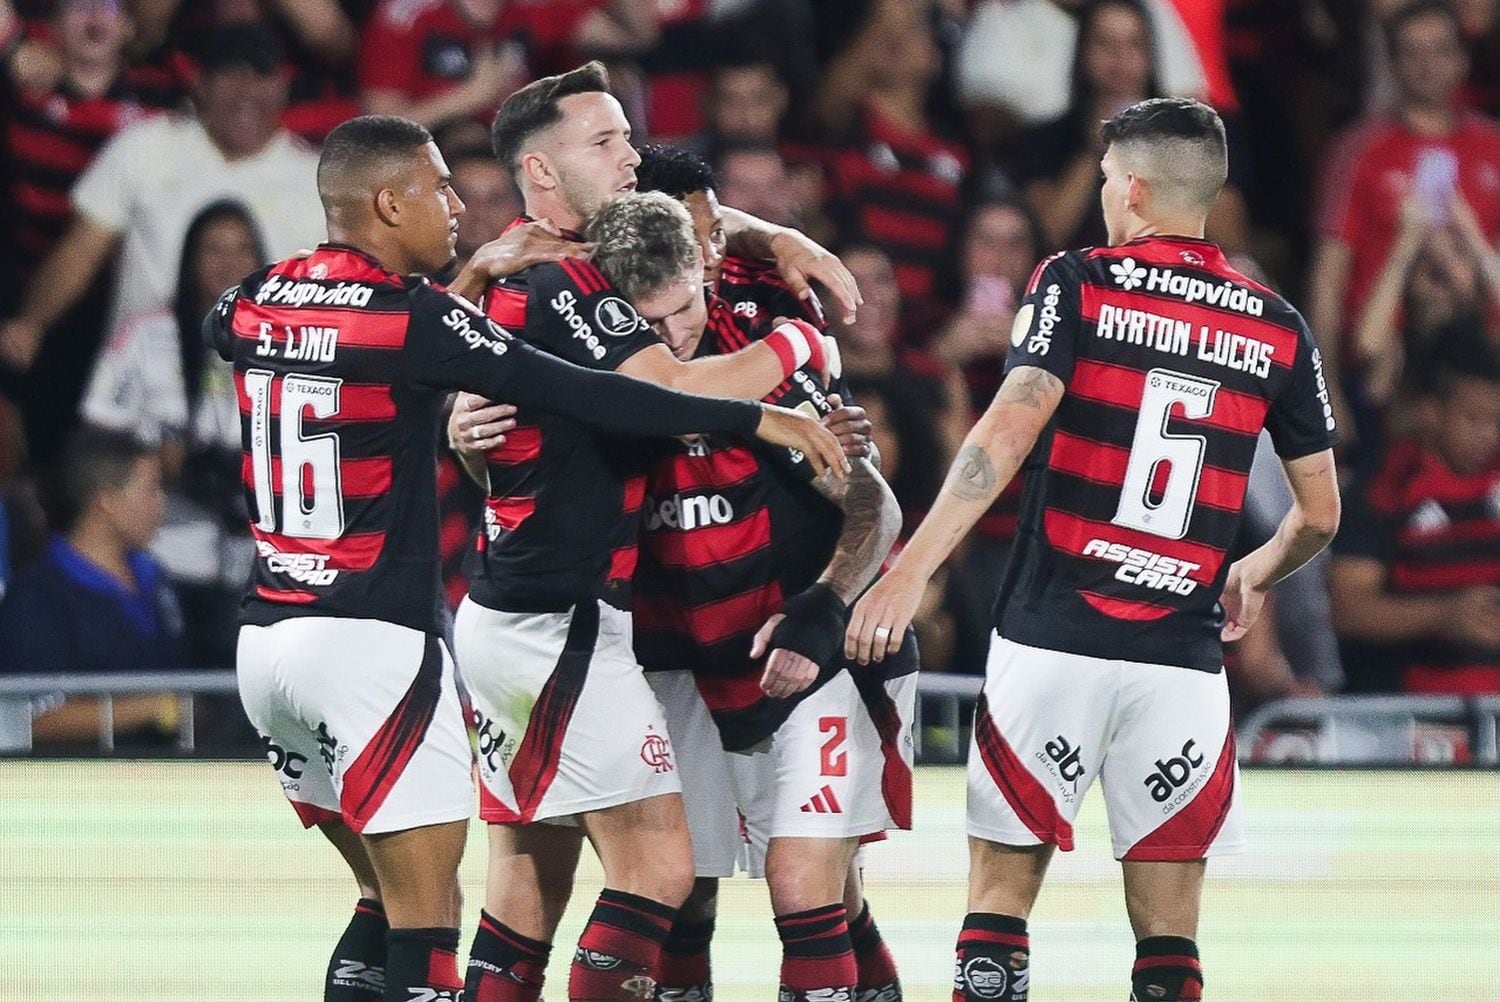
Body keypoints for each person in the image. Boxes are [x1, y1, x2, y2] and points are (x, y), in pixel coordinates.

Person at [208, 112, 844, 1002]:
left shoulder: (256, 297)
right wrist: (768, 401)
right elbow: (600, 395)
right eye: (437, 189)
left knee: (384, 901)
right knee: (480, 916)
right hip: (378, 644)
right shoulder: (418, 317)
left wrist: (467, 287)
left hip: (266, 640)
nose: (456, 205)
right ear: (388, 202)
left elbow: (228, 330)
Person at [847, 98, 1342, 1001]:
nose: (1105, 195)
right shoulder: (1278, 325)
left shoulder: (1078, 281)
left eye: (1111, 179)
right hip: (1181, 661)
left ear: (1138, 187)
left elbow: (1007, 429)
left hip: (1053, 638)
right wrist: (1253, 576)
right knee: (1169, 948)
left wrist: (905, 571)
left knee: (997, 914)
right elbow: (1319, 514)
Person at [443, 62, 858, 1002]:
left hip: (513, 607)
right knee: (660, 872)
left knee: (526, 881)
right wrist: (795, 358)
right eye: (605, 142)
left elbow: (689, 222)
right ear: (542, 174)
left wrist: (771, 228)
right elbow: (663, 395)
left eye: (627, 137)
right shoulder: (562, 283)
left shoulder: (535, 261)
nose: (630, 156)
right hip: (560, 619)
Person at [629, 146, 910, 1002]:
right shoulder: (579, 340)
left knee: (805, 888)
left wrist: (822, 612)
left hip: (802, 646)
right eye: (694, 236)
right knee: (679, 891)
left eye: (720, 233)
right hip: (674, 651)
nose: (713, 253)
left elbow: (872, 504)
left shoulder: (768, 334)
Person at [0, 22, 325, 372]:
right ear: (200, 84)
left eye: (261, 75)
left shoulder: (319, 179)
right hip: (137, 392)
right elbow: (81, 251)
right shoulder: (145, 145)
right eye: (229, 75)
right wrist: (32, 324)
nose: (245, 91)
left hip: (264, 396)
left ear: (283, 87)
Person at [1308, 0, 1500, 463]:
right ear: (1392, 64)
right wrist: (1326, 390)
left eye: (1439, 51)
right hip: (1383, 372)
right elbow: (1329, 277)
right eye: (1412, 53)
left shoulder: (1492, 146)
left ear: (1461, 60)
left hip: (1482, 371)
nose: (1427, 65)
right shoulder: (1358, 150)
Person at [79, 198, 267, 669]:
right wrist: (155, 458)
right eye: (213, 249)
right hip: (165, 549)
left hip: (258, 557)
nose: (228, 262)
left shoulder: (283, 337)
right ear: (189, 258)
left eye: (242, 249)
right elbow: (96, 429)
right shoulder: (146, 334)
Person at [1331, 324, 1500, 696]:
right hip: (1407, 715)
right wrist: (1442, 614)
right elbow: (1348, 608)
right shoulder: (1387, 487)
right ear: (1432, 413)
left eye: (1496, 421)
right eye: (1474, 419)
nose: (1489, 435)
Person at [0, 426, 184, 746]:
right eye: (151, 489)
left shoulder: (157, 579)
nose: (161, 505)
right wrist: (153, 708)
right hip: (81, 787)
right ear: (107, 501)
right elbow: (36, 718)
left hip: (176, 781)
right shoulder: (38, 595)